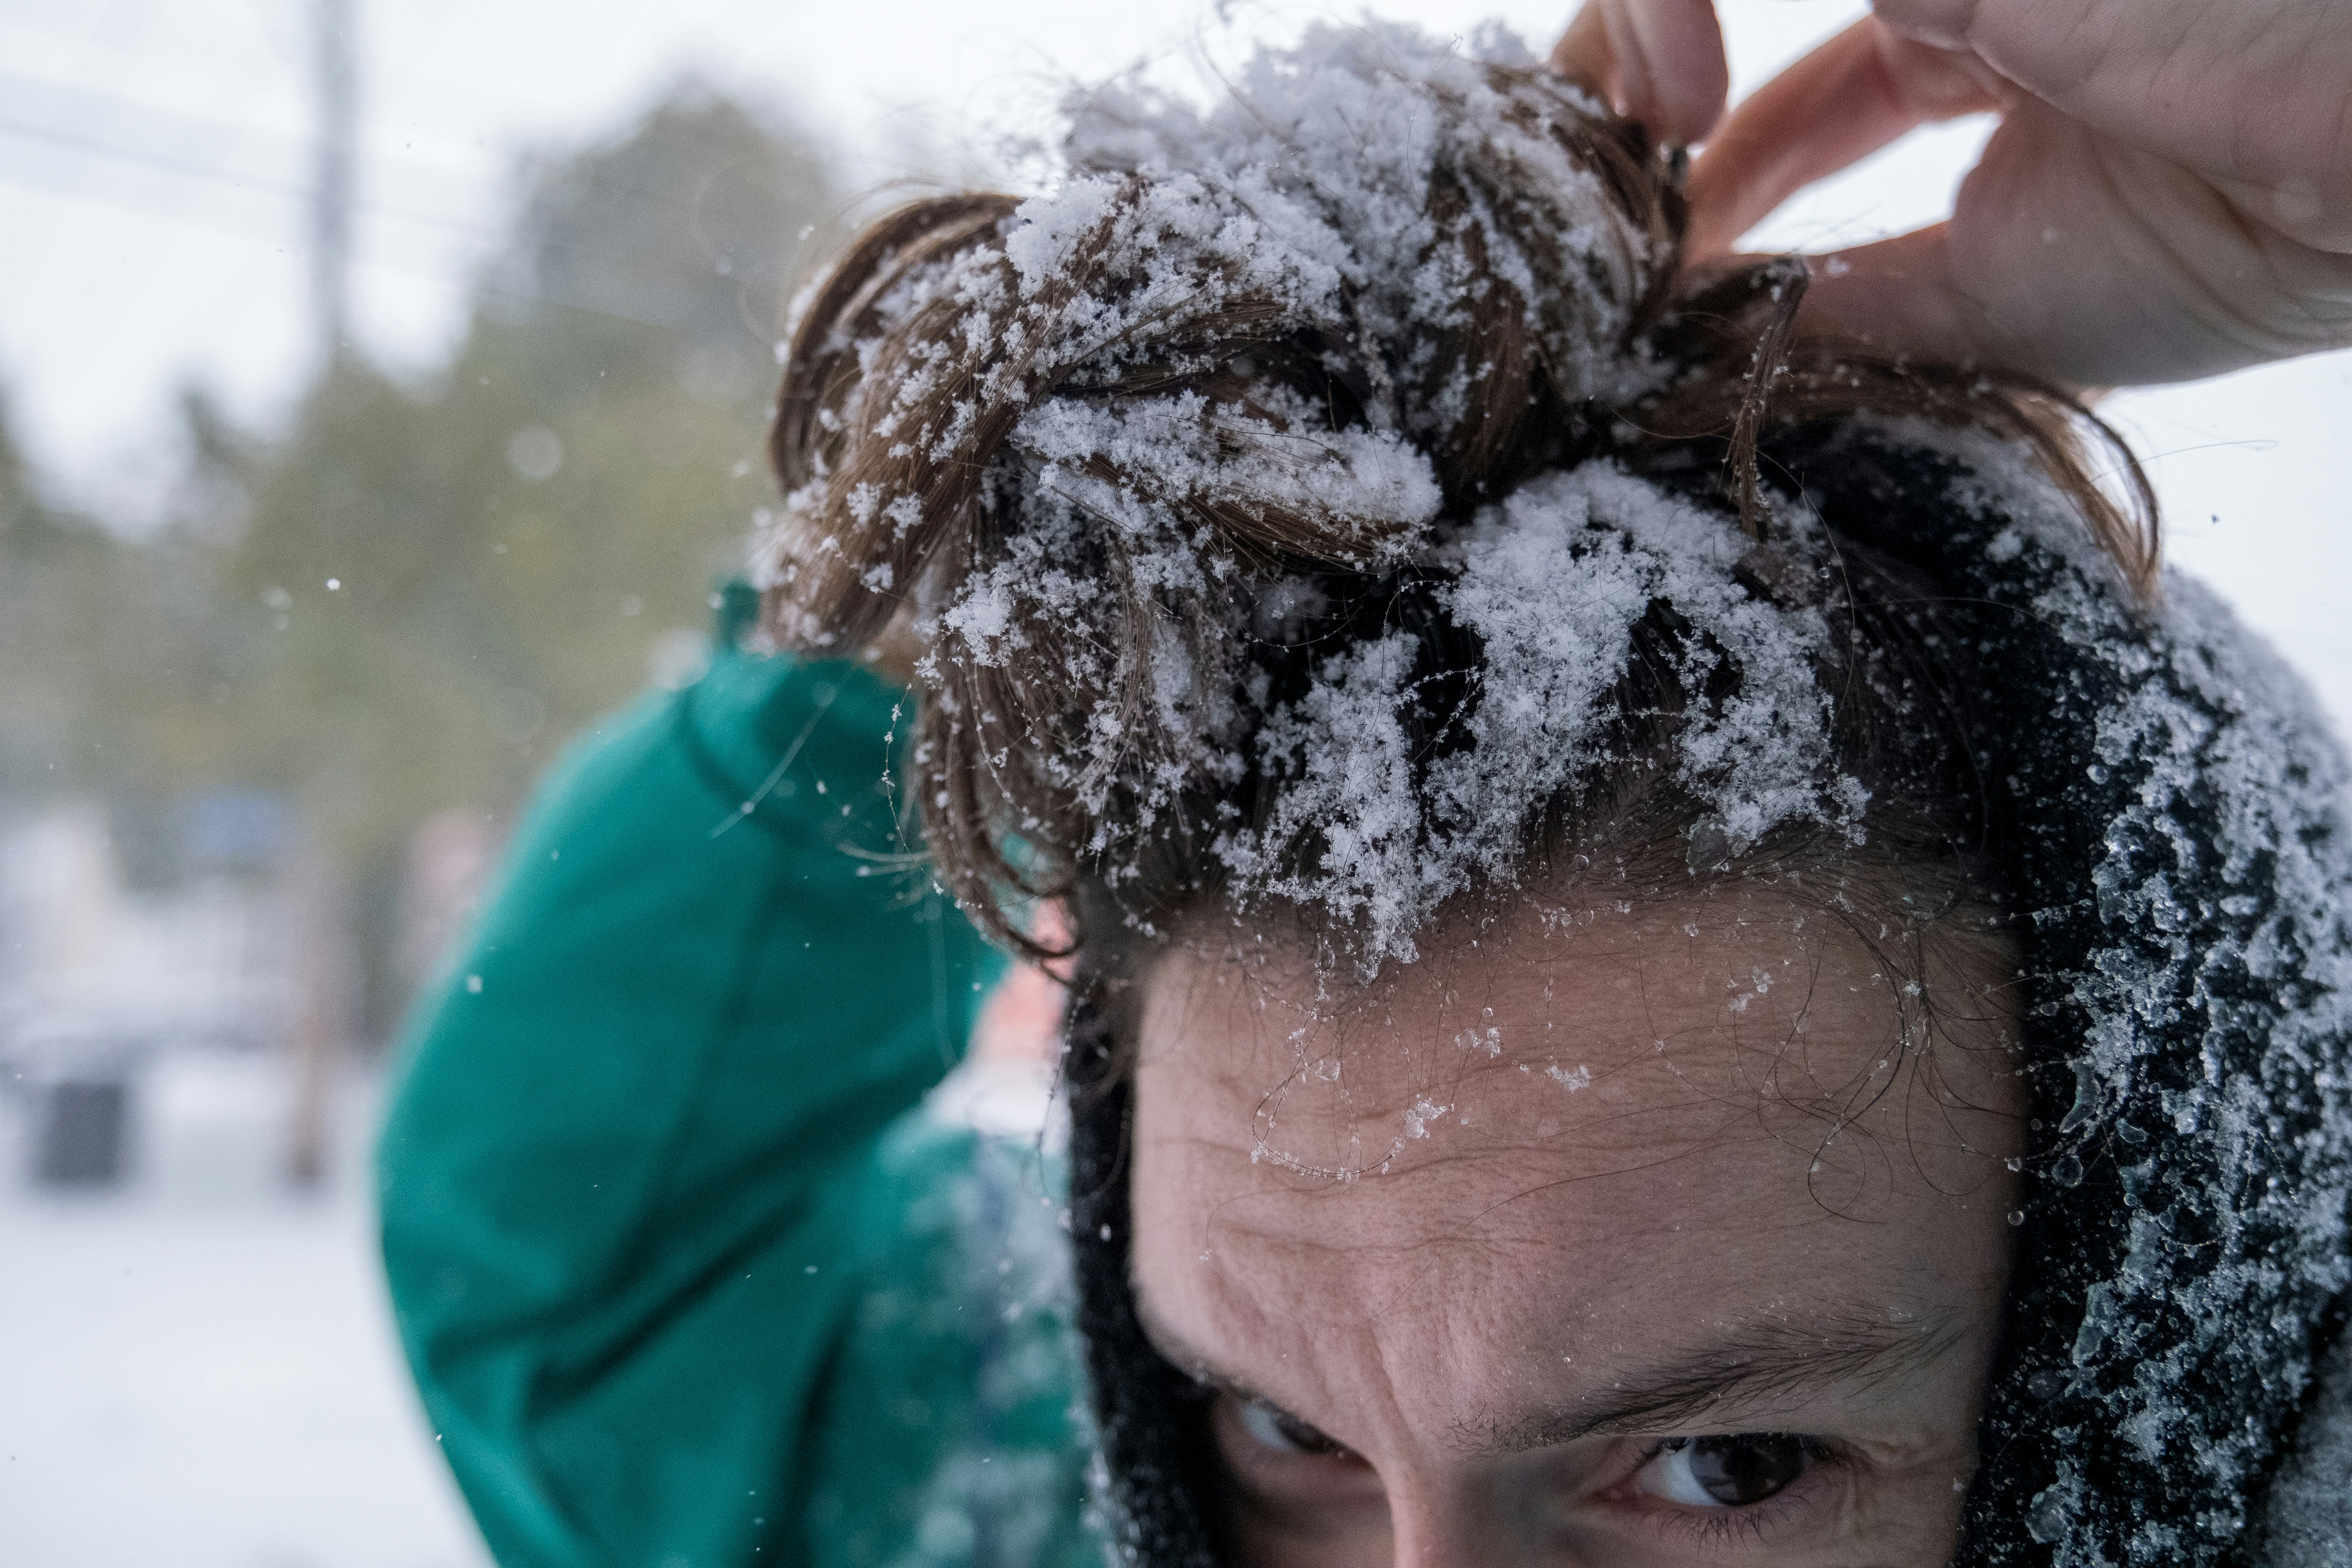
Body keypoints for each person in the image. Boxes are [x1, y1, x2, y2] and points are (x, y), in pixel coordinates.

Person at [379, 6, 2352, 1566]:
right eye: (1287, 1432)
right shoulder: (1030, 1492)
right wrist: (1050, 583)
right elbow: (584, 1262)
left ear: (2195, 1349)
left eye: (1727, 1464)